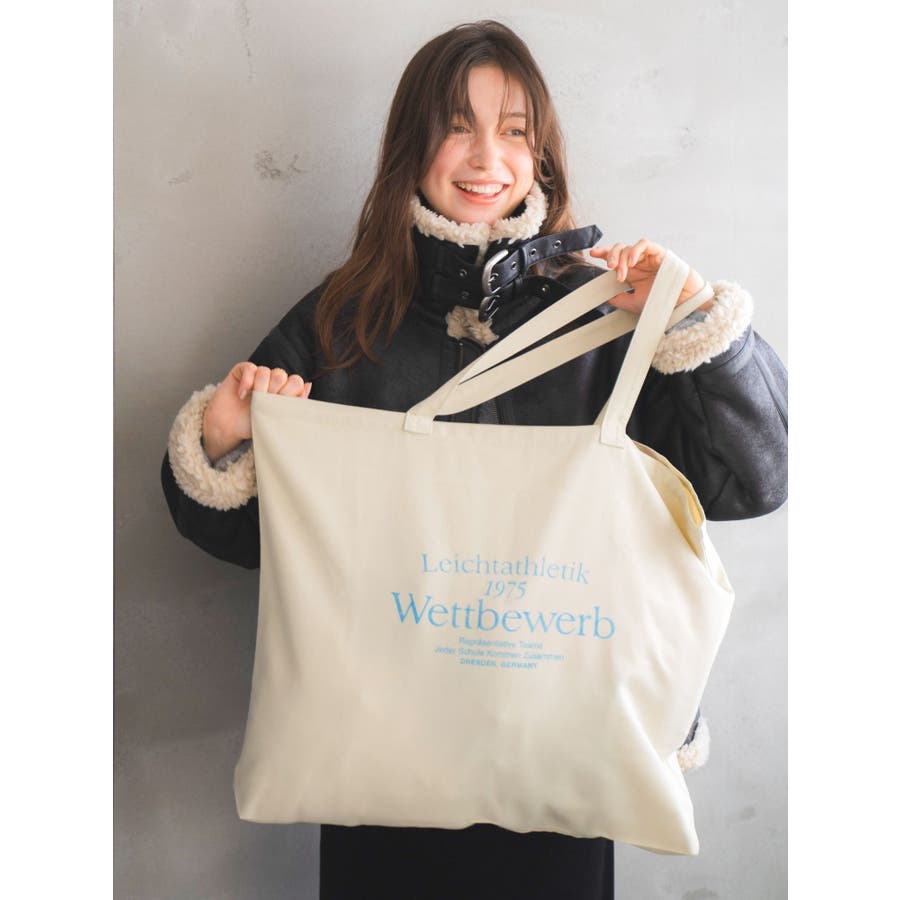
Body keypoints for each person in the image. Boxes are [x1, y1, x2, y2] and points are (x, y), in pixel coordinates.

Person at [160, 19, 787, 900]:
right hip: (380, 763)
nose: (488, 156)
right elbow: (266, 545)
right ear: (411, 147)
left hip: (565, 753)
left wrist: (689, 318)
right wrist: (221, 441)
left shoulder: (606, 314)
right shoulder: (342, 321)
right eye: (458, 126)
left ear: (542, 156)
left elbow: (751, 480)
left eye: (515, 130)